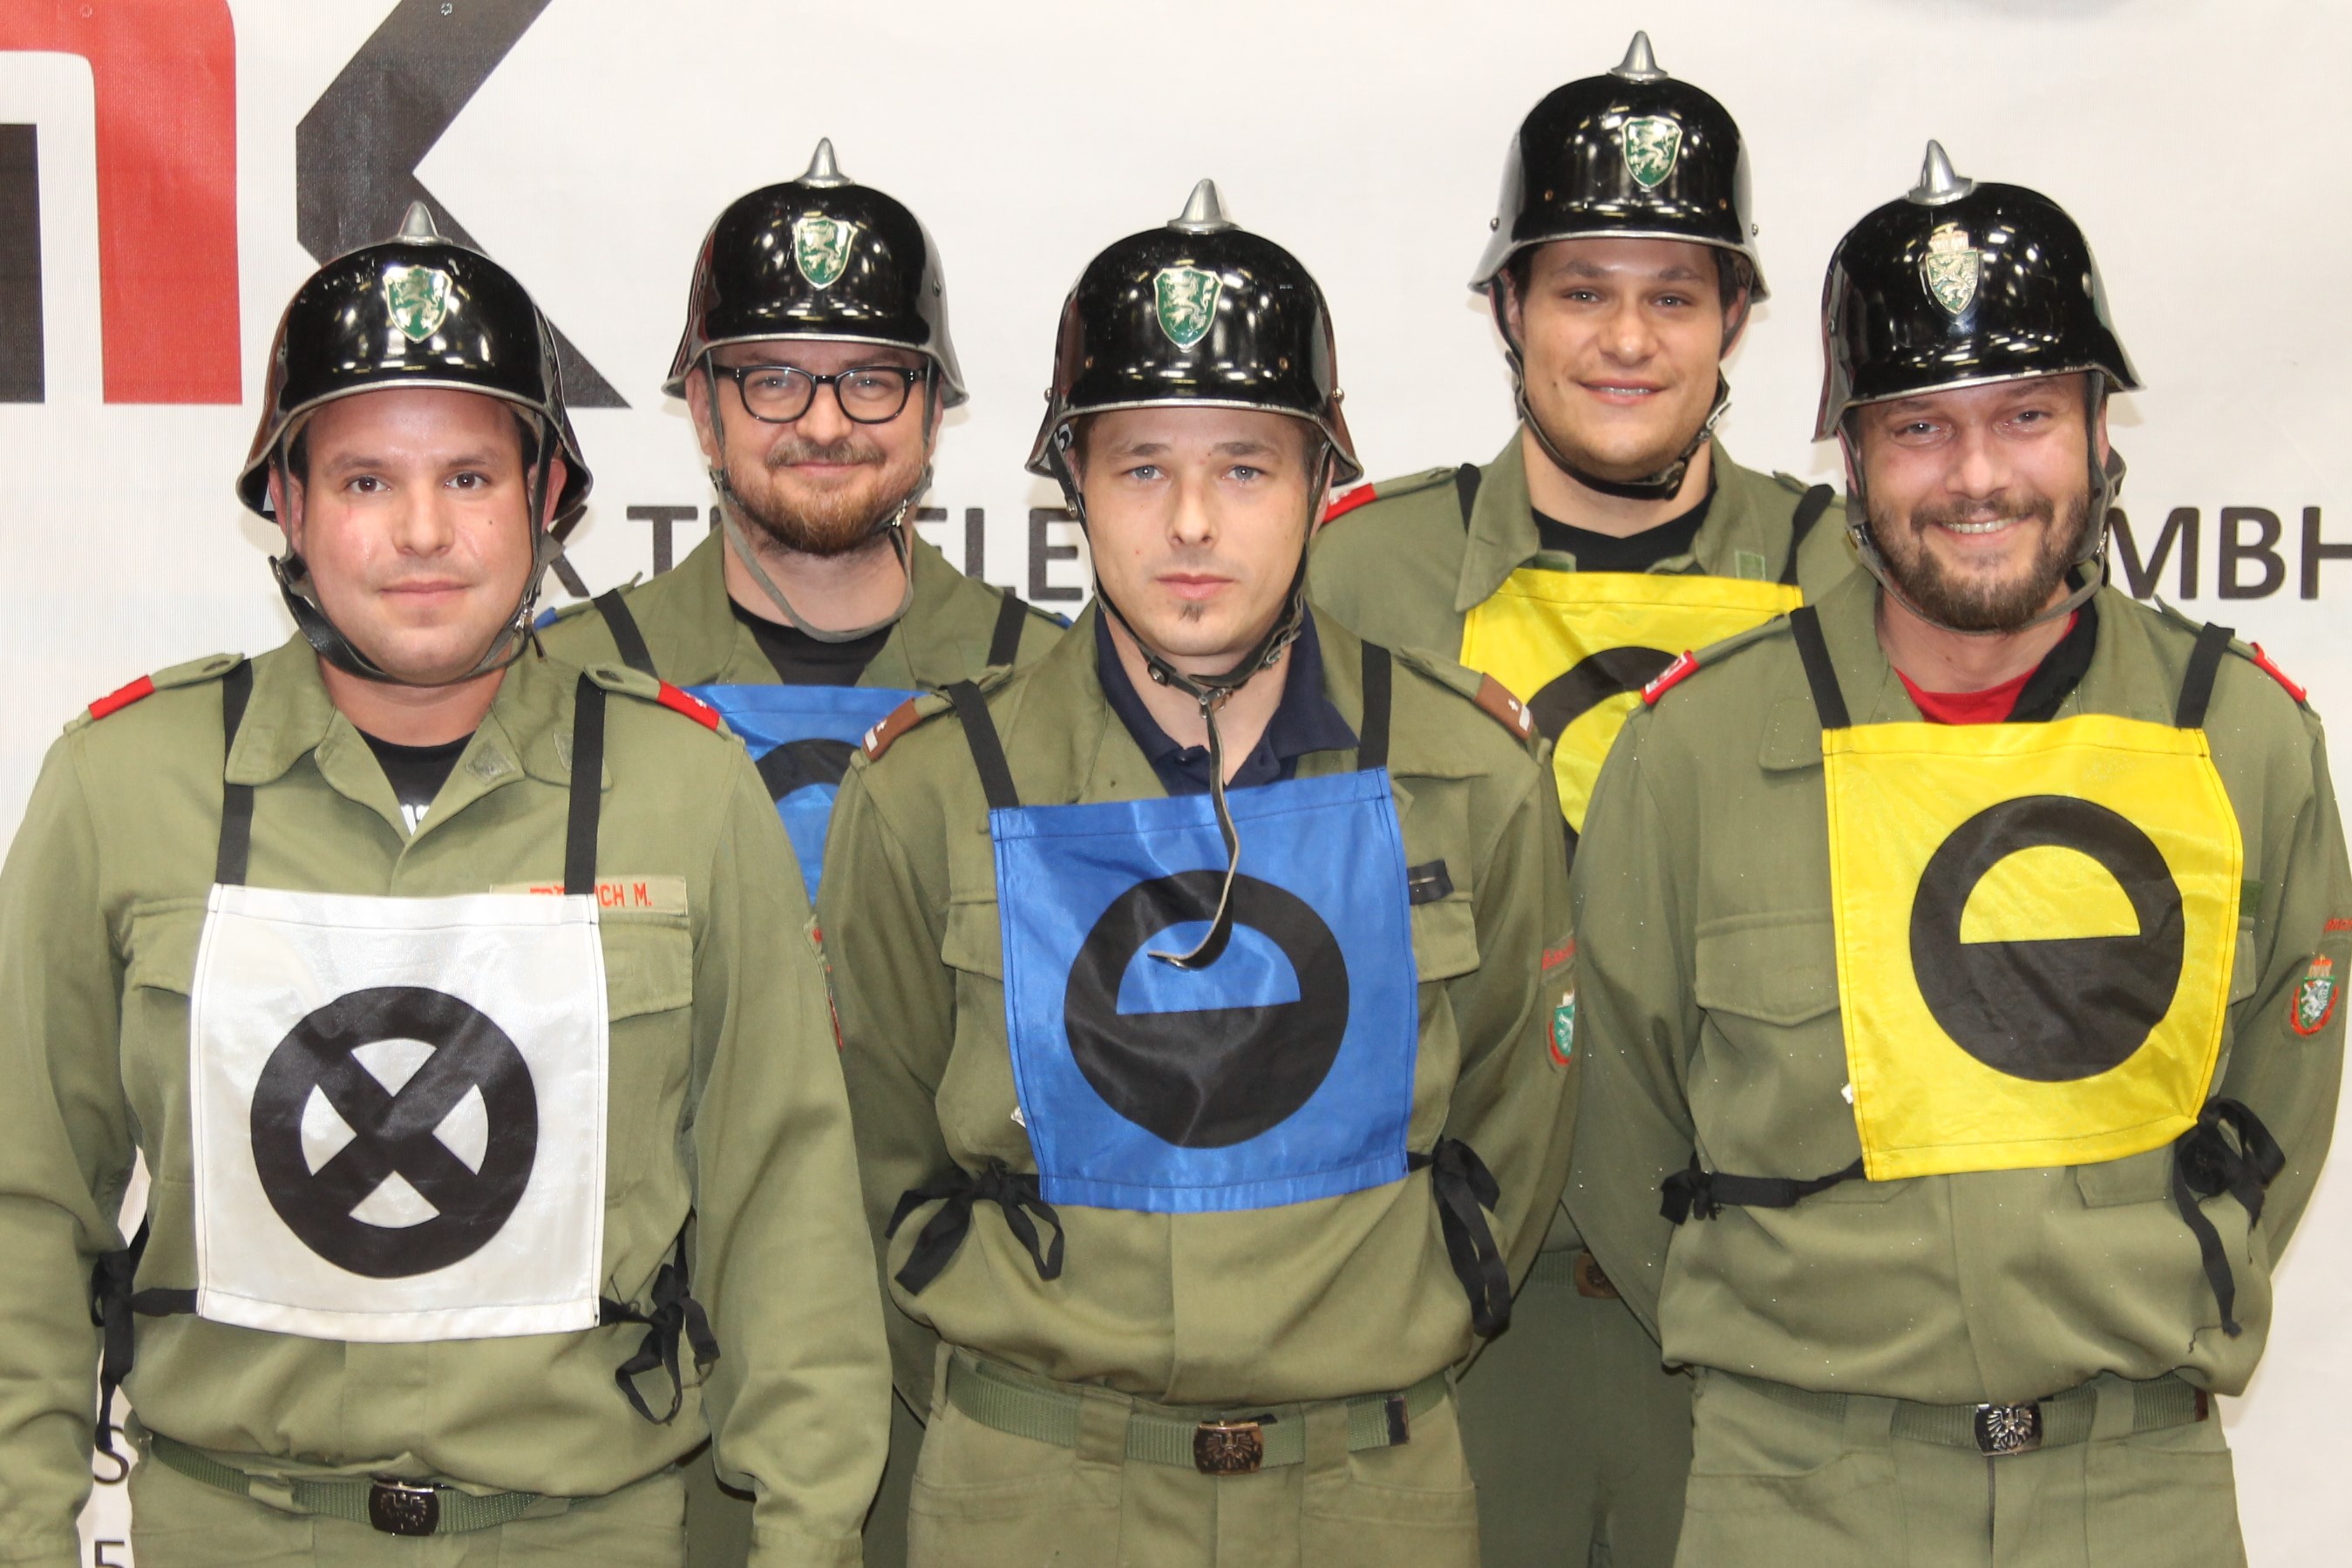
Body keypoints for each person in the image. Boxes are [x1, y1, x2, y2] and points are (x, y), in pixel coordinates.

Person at [0, 206, 887, 1565]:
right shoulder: (120, 787)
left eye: (469, 477)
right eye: (365, 480)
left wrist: (808, 1540)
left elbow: (788, 1221)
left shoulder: (685, 789)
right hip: (234, 1529)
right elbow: (26, 1208)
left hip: (585, 1536)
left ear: (545, 494)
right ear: (287, 503)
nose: (422, 532)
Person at [1568, 144, 2348, 1566]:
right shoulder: (1689, 758)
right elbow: (1619, 1140)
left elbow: (2272, 1124)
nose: (1976, 474)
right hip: (1795, 1495)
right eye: (1919, 425)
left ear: (2098, 430)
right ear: (1851, 456)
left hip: (2137, 1493)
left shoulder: (2239, 739)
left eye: (2024, 413)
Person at [820, 180, 1576, 1565]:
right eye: (1139, 468)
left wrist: (1409, 1314)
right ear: (1073, 484)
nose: (1188, 524)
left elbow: (1515, 1130)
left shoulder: (1468, 772)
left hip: (1367, 1492)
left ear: (1317, 483)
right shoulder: (932, 790)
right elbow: (876, 1153)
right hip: (1032, 1492)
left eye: (1242, 468)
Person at [1307, 33, 1850, 1565]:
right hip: (1455, 1325)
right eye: (1579, 291)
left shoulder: (1844, 580)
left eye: (1673, 295)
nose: (1625, 340)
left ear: (1735, 317)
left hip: (1766, 1324)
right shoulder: (1357, 576)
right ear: (1507, 309)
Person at [540, 139, 1062, 906]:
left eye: (872, 380)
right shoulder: (563, 681)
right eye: (774, 380)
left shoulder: (1050, 684)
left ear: (933, 413)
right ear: (704, 411)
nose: (823, 424)